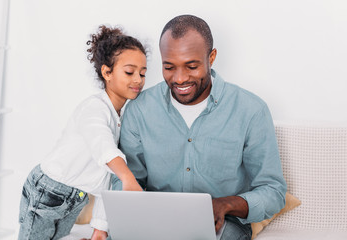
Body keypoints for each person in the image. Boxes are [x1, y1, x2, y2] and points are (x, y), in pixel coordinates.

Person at [111, 15, 287, 240]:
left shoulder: (251, 110)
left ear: (211, 57)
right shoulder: (139, 110)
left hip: (224, 224)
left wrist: (225, 205)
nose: (180, 78)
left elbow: (273, 191)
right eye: (169, 67)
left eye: (192, 66)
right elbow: (127, 180)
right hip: (156, 221)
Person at [17, 25, 146, 240]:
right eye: (130, 72)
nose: (138, 80)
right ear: (107, 72)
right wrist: (127, 177)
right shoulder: (94, 108)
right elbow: (103, 147)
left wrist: (100, 227)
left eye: (143, 73)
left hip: (76, 197)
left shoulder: (123, 118)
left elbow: (107, 177)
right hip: (48, 189)